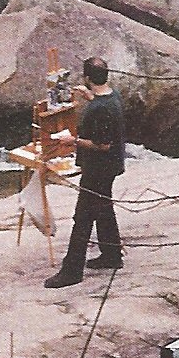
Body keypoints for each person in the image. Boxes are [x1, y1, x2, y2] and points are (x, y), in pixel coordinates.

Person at [43, 56, 126, 289]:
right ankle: (112, 255)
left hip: (98, 168)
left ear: (88, 78)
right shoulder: (113, 96)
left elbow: (103, 144)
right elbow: (104, 113)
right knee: (103, 208)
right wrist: (89, 97)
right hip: (111, 166)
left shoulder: (101, 108)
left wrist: (73, 140)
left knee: (83, 217)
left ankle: (72, 271)